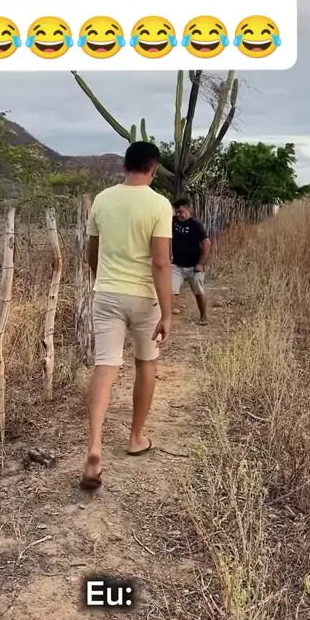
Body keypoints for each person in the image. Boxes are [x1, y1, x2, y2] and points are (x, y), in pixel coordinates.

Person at [81, 141, 173, 490]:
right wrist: (167, 312)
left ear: (124, 167)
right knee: (145, 363)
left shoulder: (102, 200)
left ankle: (94, 447)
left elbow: (92, 252)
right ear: (154, 169)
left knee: (105, 367)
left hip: (107, 293)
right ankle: (136, 437)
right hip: (144, 297)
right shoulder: (159, 204)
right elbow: (161, 262)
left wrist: (101, 281)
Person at [171, 198, 211, 324]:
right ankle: (169, 316)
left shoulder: (196, 225)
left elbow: (207, 244)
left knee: (198, 292)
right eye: (176, 212)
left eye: (181, 212)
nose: (178, 215)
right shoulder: (172, 223)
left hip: (194, 266)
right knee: (170, 291)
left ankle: (204, 316)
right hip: (176, 265)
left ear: (189, 211)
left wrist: (201, 264)